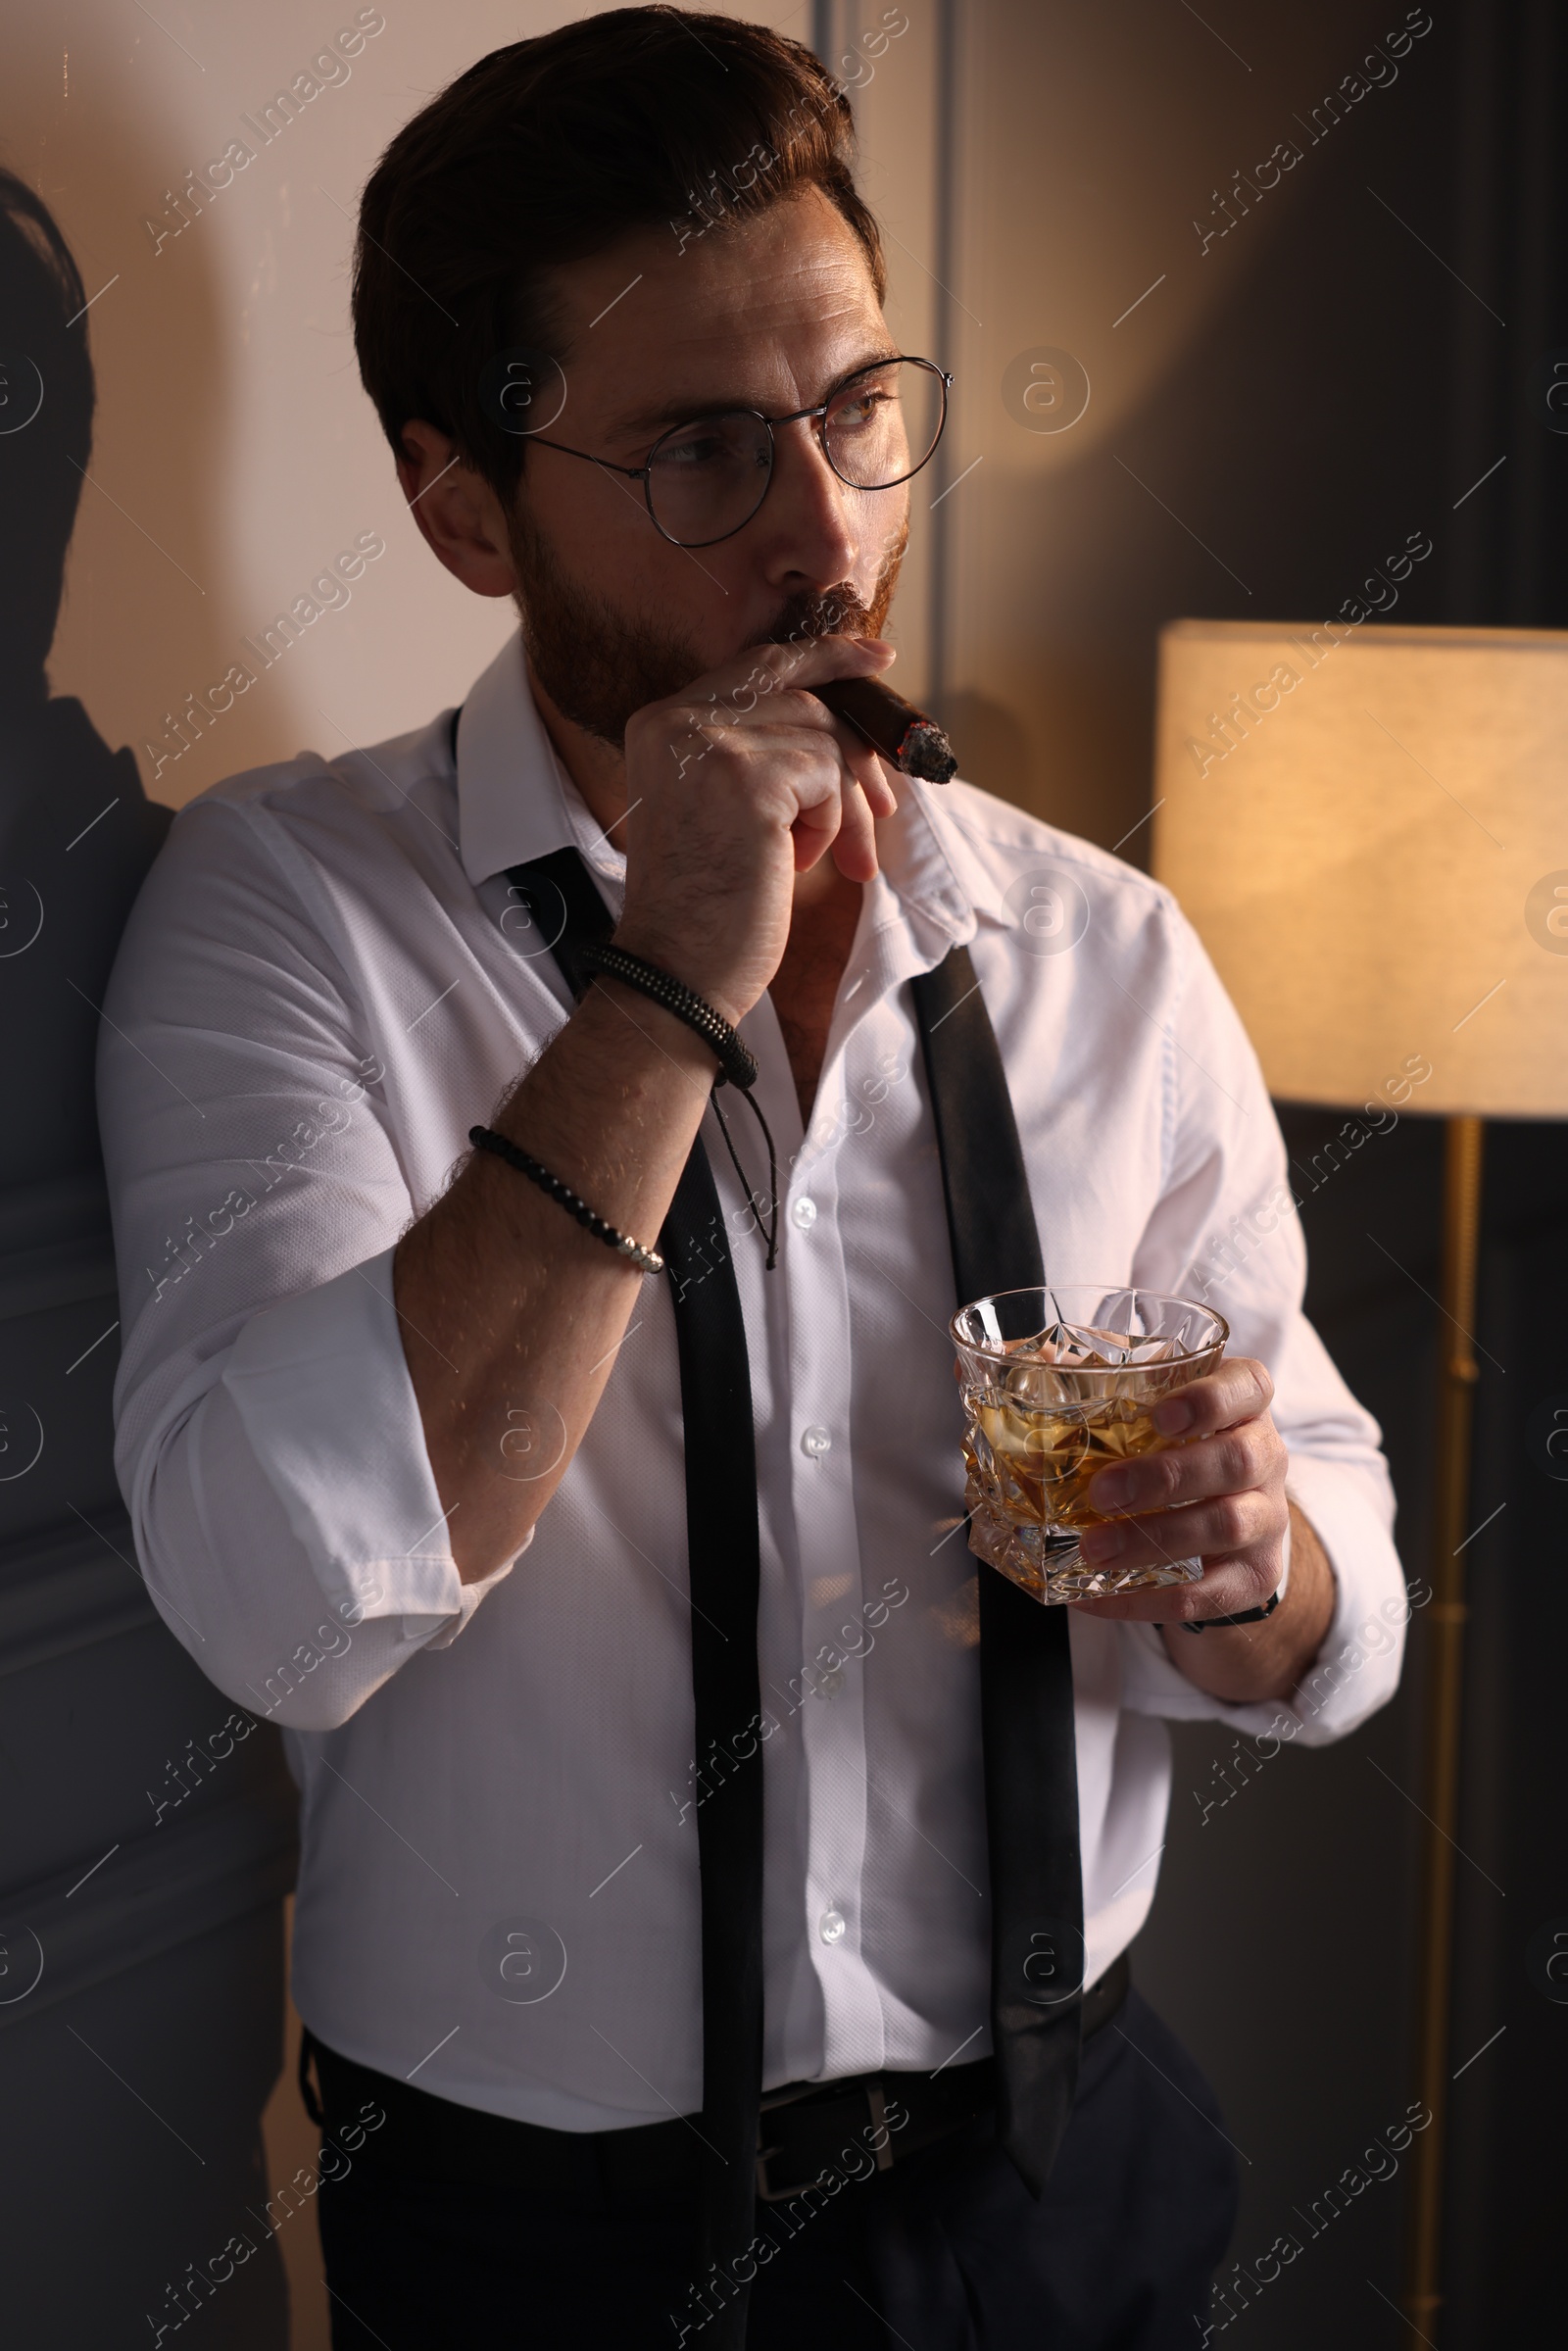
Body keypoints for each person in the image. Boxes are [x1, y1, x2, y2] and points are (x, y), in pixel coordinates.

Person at [98, 12, 1406, 2346]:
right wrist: (666, 981)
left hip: (1071, 2179)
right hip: (544, 2252)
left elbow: (1325, 1559)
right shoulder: (282, 917)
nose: (826, 531)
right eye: (702, 453)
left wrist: (1258, 1566)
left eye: (855, 413)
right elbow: (278, 1601)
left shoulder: (1099, 948)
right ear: (462, 508)